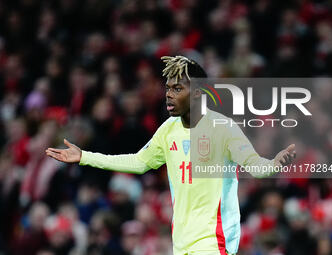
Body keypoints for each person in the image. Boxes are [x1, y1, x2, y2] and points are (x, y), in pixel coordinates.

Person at [46, 55, 296, 255]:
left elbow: (256, 166)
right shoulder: (168, 130)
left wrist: (275, 164)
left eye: (177, 88)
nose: (168, 94)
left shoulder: (224, 128)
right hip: (181, 242)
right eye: (168, 88)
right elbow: (139, 161)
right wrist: (85, 157)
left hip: (214, 241)